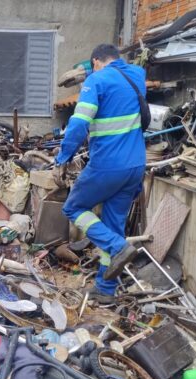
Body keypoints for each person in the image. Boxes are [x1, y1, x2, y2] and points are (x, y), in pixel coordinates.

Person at [56, 44, 146, 297]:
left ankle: (118, 247)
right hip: (136, 165)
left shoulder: (96, 80)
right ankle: (106, 288)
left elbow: (79, 122)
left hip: (108, 165)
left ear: (96, 61)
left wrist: (63, 156)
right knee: (113, 224)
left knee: (73, 208)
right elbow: (118, 75)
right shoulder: (136, 75)